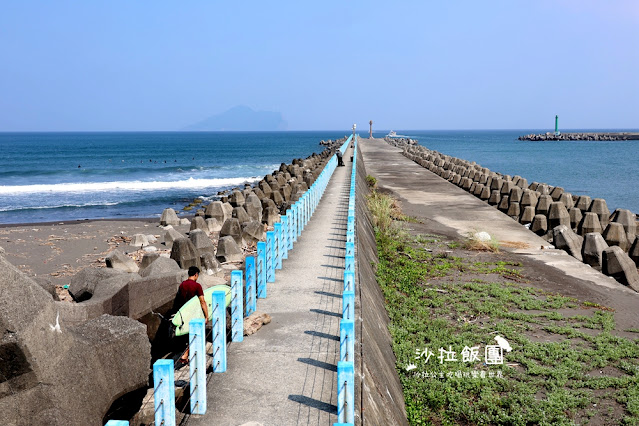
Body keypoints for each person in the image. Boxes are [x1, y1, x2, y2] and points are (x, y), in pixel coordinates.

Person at [174, 266, 208, 364]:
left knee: (186, 334)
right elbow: (202, 301)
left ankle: (186, 355)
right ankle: (186, 355)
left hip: (183, 313)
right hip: (194, 313)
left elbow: (179, 300)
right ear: (196, 274)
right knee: (195, 334)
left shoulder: (182, 285)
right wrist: (206, 316)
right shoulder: (197, 286)